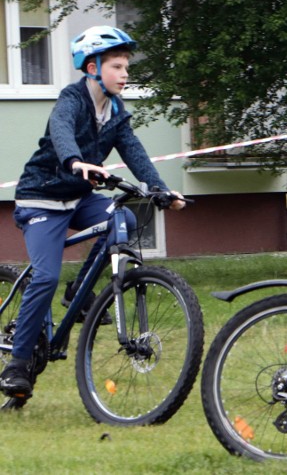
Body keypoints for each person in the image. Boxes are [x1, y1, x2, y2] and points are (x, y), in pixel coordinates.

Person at [0, 26, 185, 399]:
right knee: (45, 276)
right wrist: (75, 161)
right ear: (92, 68)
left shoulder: (115, 111)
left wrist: (161, 188)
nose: (125, 73)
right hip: (42, 200)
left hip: (80, 199)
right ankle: (17, 365)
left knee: (125, 219)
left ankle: (78, 293)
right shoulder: (72, 98)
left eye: (126, 67)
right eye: (117, 66)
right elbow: (61, 130)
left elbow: (133, 151)